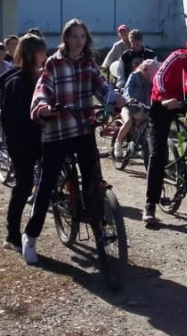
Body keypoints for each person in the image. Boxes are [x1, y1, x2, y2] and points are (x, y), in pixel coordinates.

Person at [22, 19, 124, 264]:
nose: (79, 40)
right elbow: (42, 89)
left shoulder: (88, 63)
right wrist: (43, 107)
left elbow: (100, 85)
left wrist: (115, 97)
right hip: (57, 131)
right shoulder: (53, 63)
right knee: (46, 185)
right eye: (74, 36)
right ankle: (30, 236)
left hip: (82, 128)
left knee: (93, 179)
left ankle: (98, 221)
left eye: (82, 36)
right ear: (66, 38)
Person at [144, 29, 187, 225]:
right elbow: (158, 78)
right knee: (158, 154)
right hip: (163, 102)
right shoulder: (176, 58)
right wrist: (165, 100)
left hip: (185, 102)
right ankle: (150, 204)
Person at [0, 34, 47, 251]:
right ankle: (12, 235)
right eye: (41, 52)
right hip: (22, 142)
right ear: (30, 54)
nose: (45, 55)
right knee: (24, 187)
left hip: (43, 138)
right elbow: (11, 119)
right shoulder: (17, 82)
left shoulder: (42, 77)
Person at [114, 59, 160, 158]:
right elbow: (127, 90)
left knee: (149, 125)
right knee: (128, 122)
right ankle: (118, 143)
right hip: (129, 107)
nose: (150, 77)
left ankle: (143, 146)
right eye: (149, 74)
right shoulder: (134, 76)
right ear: (144, 69)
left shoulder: (150, 79)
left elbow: (154, 91)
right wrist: (129, 99)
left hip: (143, 107)